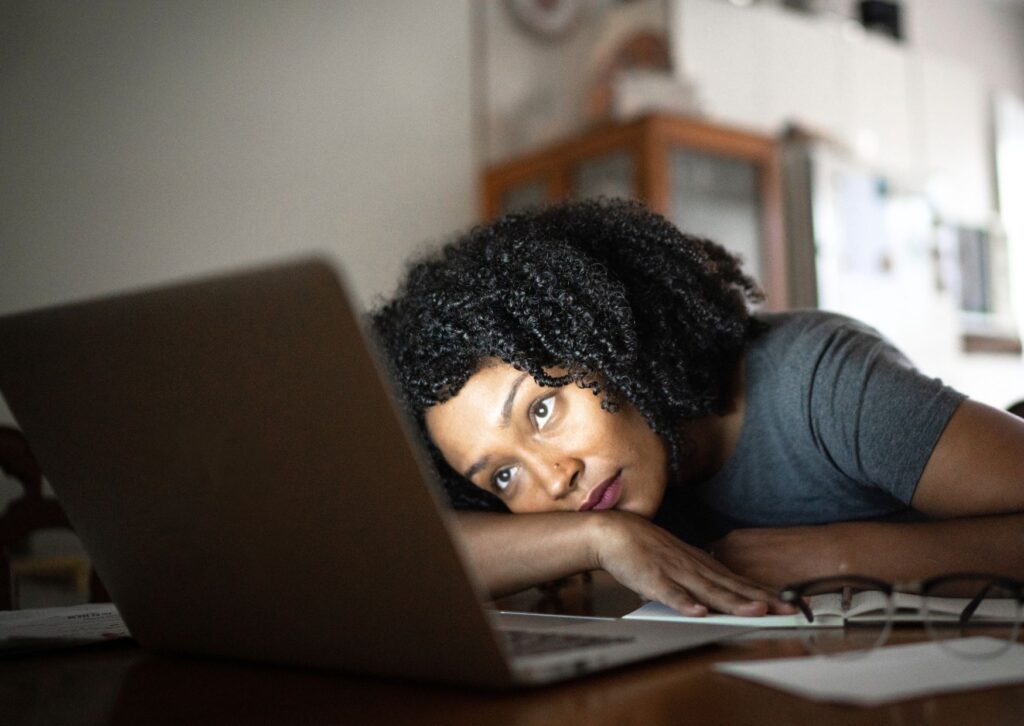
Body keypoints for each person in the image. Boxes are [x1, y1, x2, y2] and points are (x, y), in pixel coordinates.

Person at [370, 199, 1024, 617]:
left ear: (610, 342)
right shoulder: (609, 497)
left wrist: (837, 557)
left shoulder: (824, 384)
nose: (552, 479)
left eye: (541, 410)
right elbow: (401, 556)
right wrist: (598, 535)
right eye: (502, 476)